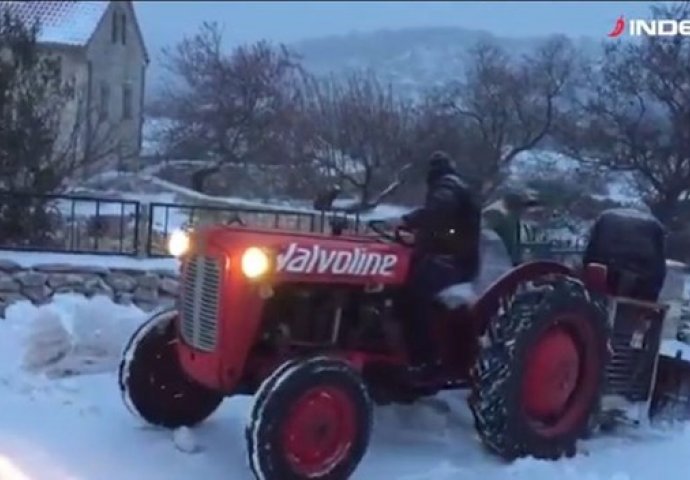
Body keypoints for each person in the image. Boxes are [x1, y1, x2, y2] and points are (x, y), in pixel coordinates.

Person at [397, 151, 482, 380]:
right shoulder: (454, 187)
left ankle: (426, 360)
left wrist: (410, 220)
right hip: (453, 257)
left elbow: (439, 210)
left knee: (414, 297)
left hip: (453, 262)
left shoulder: (448, 187)